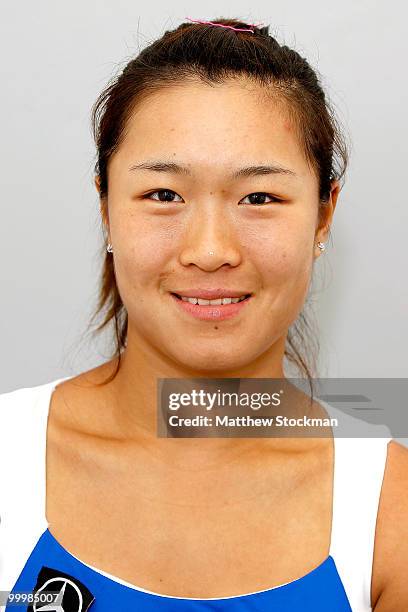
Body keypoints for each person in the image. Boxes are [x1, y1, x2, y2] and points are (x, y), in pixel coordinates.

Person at [0, 16, 407, 612]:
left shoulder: (391, 514)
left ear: (323, 217)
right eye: (164, 195)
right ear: (106, 209)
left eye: (260, 198)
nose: (211, 251)